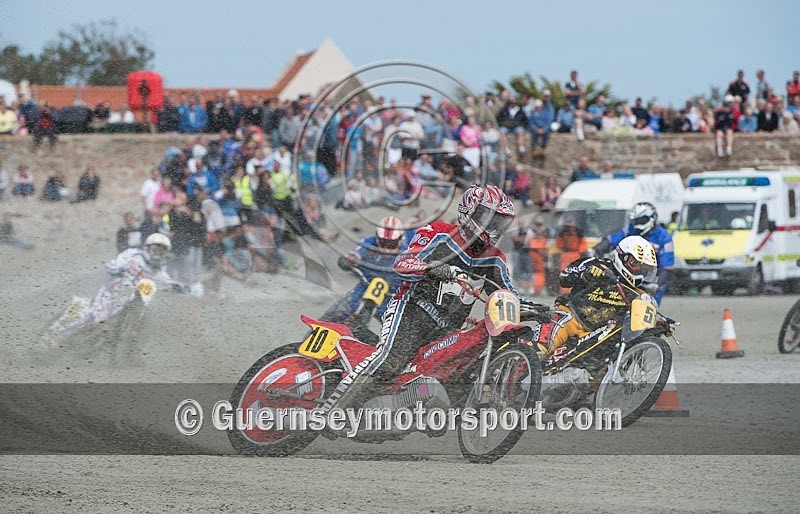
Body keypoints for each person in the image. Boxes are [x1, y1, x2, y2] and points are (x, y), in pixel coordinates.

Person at [329, 185, 541, 407]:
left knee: (446, 376)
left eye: (500, 223)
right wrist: (428, 268)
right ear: (471, 211)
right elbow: (402, 263)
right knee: (389, 362)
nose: (495, 228)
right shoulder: (439, 232)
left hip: (446, 330)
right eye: (491, 219)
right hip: (412, 311)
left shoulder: (495, 259)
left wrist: (537, 309)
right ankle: (331, 409)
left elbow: (508, 294)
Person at [42, 234, 181, 347]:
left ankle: (132, 350)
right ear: (148, 248)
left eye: (162, 251)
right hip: (114, 291)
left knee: (148, 319)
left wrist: (179, 287)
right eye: (156, 249)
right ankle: (57, 339)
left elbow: (168, 282)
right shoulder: (133, 254)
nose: (158, 253)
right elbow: (114, 264)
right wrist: (116, 269)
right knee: (97, 316)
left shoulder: (160, 271)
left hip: (134, 300)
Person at [535, 236, 658, 358]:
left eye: (645, 269)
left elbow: (644, 319)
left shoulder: (639, 294)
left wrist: (660, 324)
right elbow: (564, 278)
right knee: (538, 352)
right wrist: (585, 274)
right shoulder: (597, 264)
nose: (640, 271)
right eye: (636, 265)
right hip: (569, 318)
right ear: (623, 257)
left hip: (595, 336)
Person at [322, 216, 410, 341]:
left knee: (399, 334)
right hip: (364, 288)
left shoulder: (407, 254)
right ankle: (309, 338)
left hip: (390, 299)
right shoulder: (368, 242)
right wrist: (348, 260)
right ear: (377, 237)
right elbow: (355, 254)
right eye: (383, 242)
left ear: (400, 239)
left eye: (391, 243)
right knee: (333, 315)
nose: (386, 247)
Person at [593, 202, 674, 305]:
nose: (638, 224)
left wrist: (657, 284)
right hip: (629, 275)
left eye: (642, 220)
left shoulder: (665, 237)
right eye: (636, 220)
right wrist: (599, 248)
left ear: (652, 218)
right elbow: (611, 239)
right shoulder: (630, 228)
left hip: (651, 279)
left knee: (648, 307)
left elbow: (668, 267)